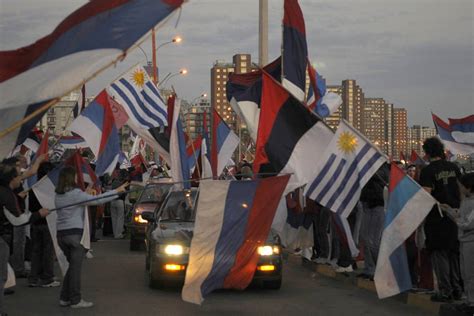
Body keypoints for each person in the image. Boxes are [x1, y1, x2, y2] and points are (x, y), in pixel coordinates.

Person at [55, 166, 128, 308]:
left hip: (61, 235)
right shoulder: (75, 193)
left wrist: (86, 193)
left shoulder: (58, 194)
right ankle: (75, 300)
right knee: (75, 269)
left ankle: (65, 297)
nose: (77, 178)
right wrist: (117, 192)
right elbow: (98, 200)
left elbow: (87, 199)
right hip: (75, 234)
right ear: (71, 178)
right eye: (75, 176)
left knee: (72, 268)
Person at [0, 162, 49, 316]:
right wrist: (38, 215)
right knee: (1, 277)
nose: (21, 178)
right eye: (18, 175)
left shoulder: (6, 192)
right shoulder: (6, 194)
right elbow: (17, 220)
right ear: (11, 178)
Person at [419, 137, 462, 303]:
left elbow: (425, 194)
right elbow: (461, 190)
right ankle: (457, 288)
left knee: (439, 253)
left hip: (437, 217)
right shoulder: (454, 167)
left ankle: (445, 290)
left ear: (427, 152)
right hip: (454, 216)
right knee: (453, 252)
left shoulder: (428, 171)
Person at [440, 173, 474, 312]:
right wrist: (448, 210)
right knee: (465, 273)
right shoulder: (466, 200)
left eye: (461, 185)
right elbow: (461, 215)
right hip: (464, 241)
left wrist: (456, 220)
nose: (459, 188)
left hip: (471, 242)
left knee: (471, 273)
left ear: (469, 187)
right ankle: (469, 300)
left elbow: (468, 223)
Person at [28, 161, 59, 288]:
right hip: (48, 224)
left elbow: (30, 207)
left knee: (36, 251)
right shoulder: (51, 188)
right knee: (48, 251)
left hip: (35, 223)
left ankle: (34, 277)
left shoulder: (33, 188)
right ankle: (47, 277)